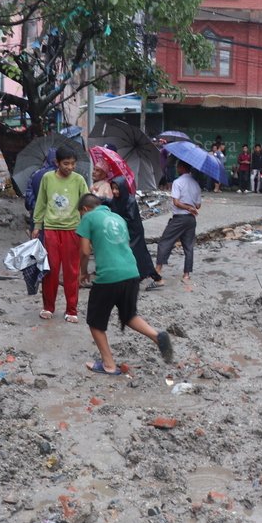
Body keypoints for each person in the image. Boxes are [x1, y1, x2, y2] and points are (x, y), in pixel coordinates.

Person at [76, 194, 173, 375]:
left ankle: (109, 365)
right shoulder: (118, 218)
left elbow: (84, 250)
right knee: (128, 315)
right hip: (131, 272)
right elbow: (123, 244)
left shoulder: (88, 217)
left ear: (85, 209)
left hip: (109, 276)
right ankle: (157, 336)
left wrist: (83, 272)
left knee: (95, 323)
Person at [31, 147, 89, 322]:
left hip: (73, 230)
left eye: (73, 164)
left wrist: (88, 228)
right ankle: (48, 307)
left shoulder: (79, 180)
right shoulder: (47, 178)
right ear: (57, 163)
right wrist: (37, 225)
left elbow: (87, 204)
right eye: (66, 163)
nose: (70, 167)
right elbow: (41, 202)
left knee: (72, 271)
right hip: (51, 230)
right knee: (51, 270)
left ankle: (71, 309)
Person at [109, 176, 163, 289]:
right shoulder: (116, 200)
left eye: (117, 189)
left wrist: (116, 219)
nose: (114, 191)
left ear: (122, 189)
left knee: (139, 255)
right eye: (113, 188)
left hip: (134, 233)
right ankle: (136, 277)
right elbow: (109, 203)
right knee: (132, 255)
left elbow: (130, 218)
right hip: (125, 232)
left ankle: (156, 278)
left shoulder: (130, 201)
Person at [155, 160, 201, 287]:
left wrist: (187, 207)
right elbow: (198, 205)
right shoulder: (196, 184)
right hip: (191, 219)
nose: (176, 169)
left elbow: (176, 202)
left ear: (181, 168)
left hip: (179, 218)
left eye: (177, 167)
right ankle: (186, 274)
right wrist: (191, 207)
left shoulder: (177, 182)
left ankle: (158, 269)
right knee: (188, 247)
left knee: (165, 242)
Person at [25, 147, 57, 229]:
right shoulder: (61, 176)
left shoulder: (36, 174)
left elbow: (28, 197)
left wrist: (34, 208)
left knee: (37, 240)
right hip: (55, 217)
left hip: (37, 214)